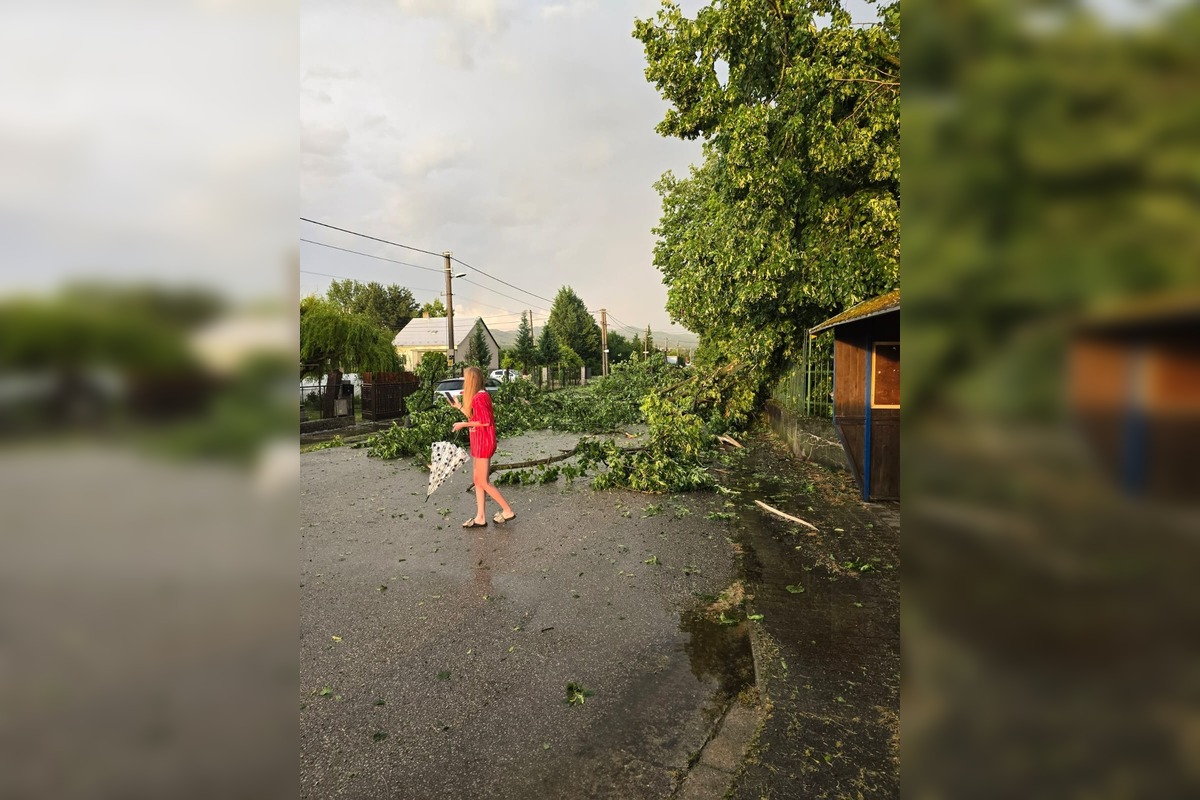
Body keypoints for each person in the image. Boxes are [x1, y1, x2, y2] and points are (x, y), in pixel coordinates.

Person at [448, 366, 516, 528]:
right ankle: (480, 517)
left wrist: (463, 424)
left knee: (483, 482)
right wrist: (459, 407)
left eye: (466, 379)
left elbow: (485, 422)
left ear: (472, 380)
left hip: (484, 442)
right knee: (477, 480)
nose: (464, 382)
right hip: (478, 442)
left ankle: (507, 510)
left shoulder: (480, 398)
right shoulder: (478, 396)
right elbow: (474, 417)